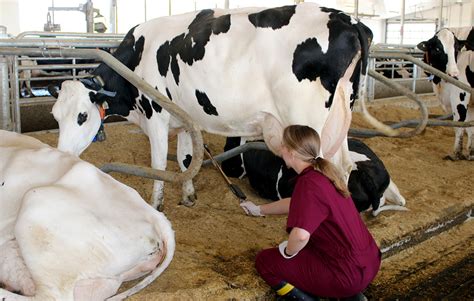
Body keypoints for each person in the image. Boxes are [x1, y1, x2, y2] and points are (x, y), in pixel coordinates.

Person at [240, 125, 381, 301]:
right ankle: (352, 298)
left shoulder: (308, 184)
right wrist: (259, 209)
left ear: (291, 152)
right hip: (369, 263)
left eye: (283, 145)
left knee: (266, 261)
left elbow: (300, 236)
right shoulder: (322, 174)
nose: (280, 148)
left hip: (347, 275)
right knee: (312, 250)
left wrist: (288, 252)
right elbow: (295, 203)